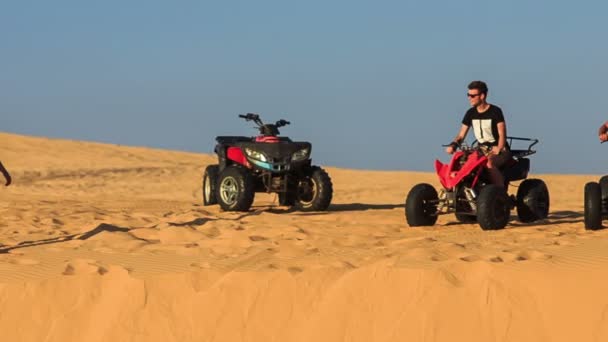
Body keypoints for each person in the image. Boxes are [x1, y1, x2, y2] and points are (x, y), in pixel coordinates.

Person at [445, 80, 511, 187]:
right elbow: (461, 135)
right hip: (481, 150)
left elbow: (502, 133)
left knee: (489, 163)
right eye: (468, 95)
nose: (469, 98)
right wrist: (454, 145)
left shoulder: (495, 111)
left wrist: (499, 148)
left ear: (482, 96)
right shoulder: (470, 113)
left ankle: (500, 193)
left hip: (500, 151)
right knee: (460, 161)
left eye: (472, 95)